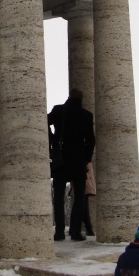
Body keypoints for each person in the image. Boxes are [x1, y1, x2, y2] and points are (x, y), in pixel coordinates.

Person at [47, 88, 95, 241]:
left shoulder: (59, 110)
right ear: (81, 99)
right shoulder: (86, 115)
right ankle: (75, 232)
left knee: (59, 196)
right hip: (78, 159)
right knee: (80, 197)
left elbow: (42, 122)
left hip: (60, 159)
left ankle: (59, 231)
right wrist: (87, 158)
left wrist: (53, 139)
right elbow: (91, 140)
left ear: (69, 97)